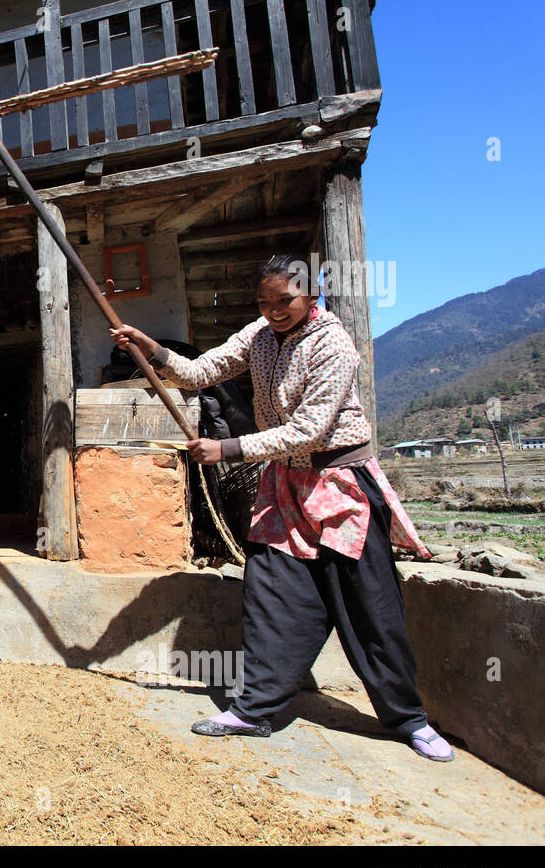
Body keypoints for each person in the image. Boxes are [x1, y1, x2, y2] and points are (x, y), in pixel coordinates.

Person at [109, 254, 454, 762]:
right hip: (283, 487)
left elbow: (309, 431)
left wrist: (225, 449)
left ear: (312, 296)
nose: (274, 311)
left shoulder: (334, 345)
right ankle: (256, 708)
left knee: (369, 606)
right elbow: (200, 372)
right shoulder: (260, 336)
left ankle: (408, 719)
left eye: (285, 301)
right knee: (273, 596)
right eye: (265, 302)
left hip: (340, 487)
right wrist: (152, 349)